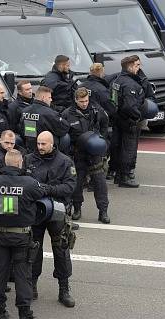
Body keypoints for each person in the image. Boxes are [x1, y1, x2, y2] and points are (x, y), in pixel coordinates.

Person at [0, 150, 48, 319]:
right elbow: (43, 194)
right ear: (20, 163)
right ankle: (25, 315)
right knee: (23, 275)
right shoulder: (30, 183)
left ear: (5, 163)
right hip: (22, 236)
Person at [26, 132, 77, 308]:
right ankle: (31, 285)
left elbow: (70, 187)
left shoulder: (65, 161)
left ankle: (64, 289)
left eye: (43, 144)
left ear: (52, 144)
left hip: (57, 210)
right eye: (38, 143)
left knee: (61, 249)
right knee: (33, 249)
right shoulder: (29, 159)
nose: (40, 147)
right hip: (36, 211)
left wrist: (47, 189)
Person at [62, 87, 111, 224]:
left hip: (94, 153)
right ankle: (77, 208)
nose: (84, 103)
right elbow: (63, 134)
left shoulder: (96, 110)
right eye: (82, 101)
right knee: (77, 184)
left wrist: (103, 140)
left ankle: (103, 211)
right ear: (76, 100)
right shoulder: (67, 114)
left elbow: (105, 124)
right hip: (77, 154)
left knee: (100, 182)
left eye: (86, 100)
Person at [109, 55, 147, 188]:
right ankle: (124, 176)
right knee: (128, 148)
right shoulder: (130, 84)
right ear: (130, 66)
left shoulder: (117, 80)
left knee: (119, 146)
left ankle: (118, 174)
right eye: (137, 65)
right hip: (128, 120)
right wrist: (138, 116)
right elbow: (129, 106)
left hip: (118, 118)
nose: (139, 68)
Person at [19, 86, 70, 154]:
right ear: (43, 98)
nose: (51, 100)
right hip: (47, 148)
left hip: (31, 148)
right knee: (66, 137)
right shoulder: (49, 113)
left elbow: (23, 130)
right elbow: (64, 128)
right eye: (49, 97)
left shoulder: (25, 111)